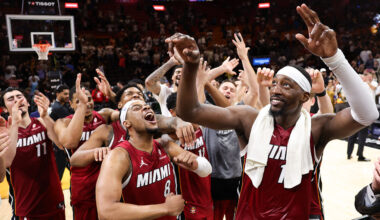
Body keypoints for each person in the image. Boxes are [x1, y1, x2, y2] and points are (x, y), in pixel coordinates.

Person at [172, 4, 378, 219]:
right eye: (275, 84)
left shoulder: (317, 127)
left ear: (305, 97)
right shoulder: (249, 119)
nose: (276, 89)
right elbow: (190, 111)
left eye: (287, 85)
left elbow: (367, 114)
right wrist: (191, 65)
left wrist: (334, 58)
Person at [95, 99, 212, 220]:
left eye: (147, 106)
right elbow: (106, 212)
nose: (146, 108)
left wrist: (195, 164)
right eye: (136, 108)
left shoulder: (165, 145)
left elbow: (206, 169)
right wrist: (165, 208)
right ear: (127, 123)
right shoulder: (119, 156)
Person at [53, 74, 119, 220]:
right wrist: (81, 108)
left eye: (88, 99)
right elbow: (69, 143)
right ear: (71, 104)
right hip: (82, 182)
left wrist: (113, 95)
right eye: (79, 100)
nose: (86, 103)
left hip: (108, 178)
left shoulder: (105, 114)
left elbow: (130, 115)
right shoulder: (62, 122)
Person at [1, 88, 65, 219]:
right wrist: (15, 124)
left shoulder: (42, 122)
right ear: (5, 109)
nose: (17, 100)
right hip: (27, 205)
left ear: (28, 103)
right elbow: (7, 161)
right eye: (11, 99)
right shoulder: (5, 133)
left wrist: (46, 116)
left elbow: (61, 144)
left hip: (53, 200)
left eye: (19, 96)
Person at [166, 92, 213, 220]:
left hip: (206, 194)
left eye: (190, 106)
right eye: (183, 108)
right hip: (188, 201)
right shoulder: (170, 136)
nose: (189, 111)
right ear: (172, 113)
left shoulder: (198, 124)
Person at [49, 84, 72, 180]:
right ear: (57, 94)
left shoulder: (63, 105)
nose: (67, 96)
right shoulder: (58, 108)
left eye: (68, 94)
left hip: (63, 144)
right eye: (65, 94)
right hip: (59, 146)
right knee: (59, 174)